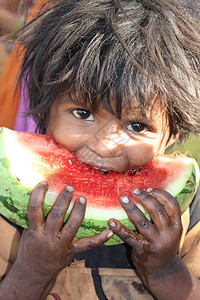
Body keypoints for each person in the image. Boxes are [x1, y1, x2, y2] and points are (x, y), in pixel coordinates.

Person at [0, 0, 200, 299]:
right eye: (82, 114)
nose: (105, 145)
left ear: (175, 132)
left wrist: (165, 270)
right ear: (45, 108)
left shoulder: (188, 211)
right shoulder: (12, 201)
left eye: (136, 126)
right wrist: (33, 270)